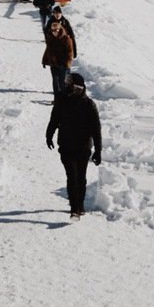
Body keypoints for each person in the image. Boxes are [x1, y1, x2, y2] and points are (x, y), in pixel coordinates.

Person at [46, 72, 102, 218]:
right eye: (67, 85)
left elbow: (96, 129)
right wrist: (49, 135)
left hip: (83, 147)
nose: (67, 88)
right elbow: (54, 119)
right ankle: (74, 208)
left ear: (79, 87)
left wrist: (98, 150)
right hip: (65, 145)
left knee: (81, 177)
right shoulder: (62, 100)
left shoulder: (89, 104)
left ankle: (80, 205)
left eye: (70, 85)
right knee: (72, 176)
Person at [42, 19, 74, 97]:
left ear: (60, 30)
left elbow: (70, 53)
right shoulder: (50, 38)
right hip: (54, 64)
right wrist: (44, 60)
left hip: (63, 65)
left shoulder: (67, 39)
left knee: (62, 82)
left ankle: (65, 98)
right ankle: (57, 99)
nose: (54, 32)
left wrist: (67, 63)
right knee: (55, 82)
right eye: (52, 30)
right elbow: (48, 50)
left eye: (56, 30)